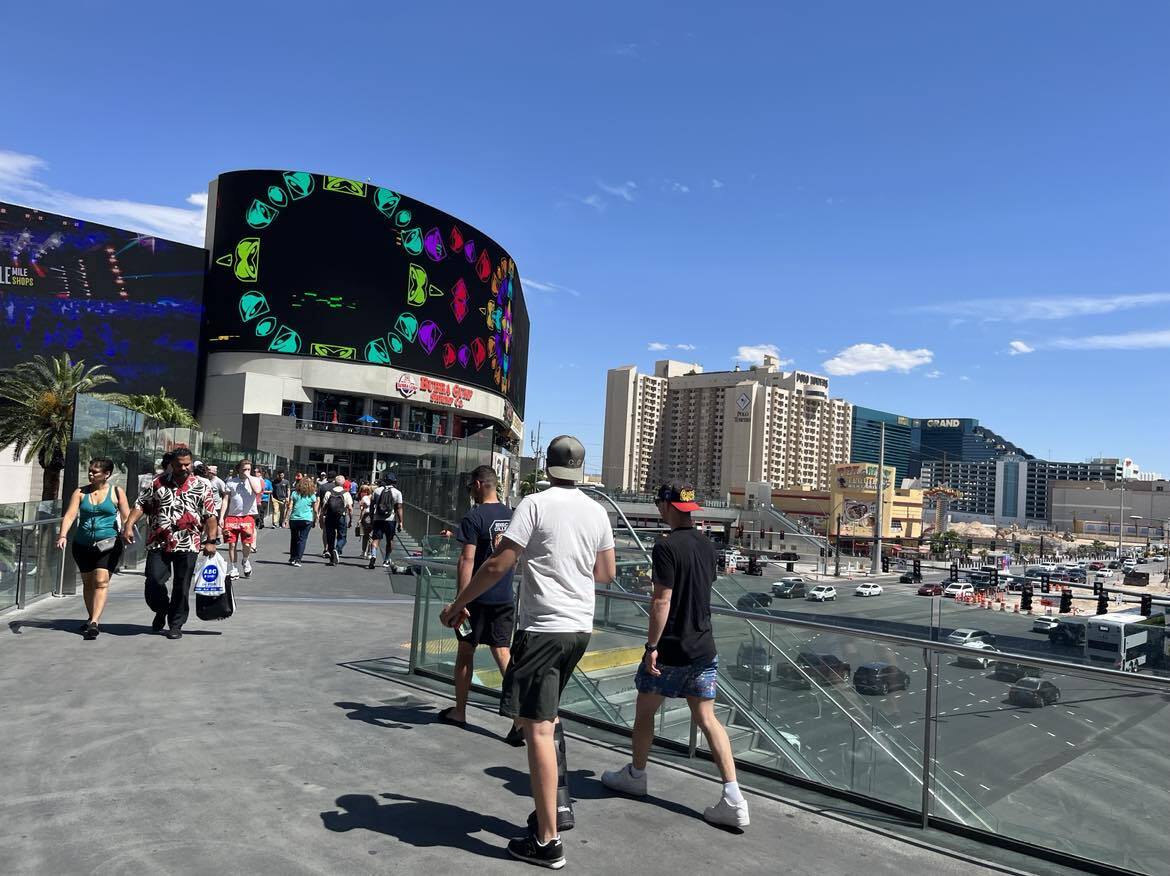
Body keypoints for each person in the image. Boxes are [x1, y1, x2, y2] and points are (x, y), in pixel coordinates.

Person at [441, 436, 615, 869]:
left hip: (544, 628)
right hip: (579, 628)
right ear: (579, 468)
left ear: (549, 466)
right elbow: (606, 573)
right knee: (548, 717)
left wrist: (460, 603)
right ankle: (553, 808)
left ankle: (547, 841)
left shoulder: (534, 504)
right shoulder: (597, 511)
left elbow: (500, 563)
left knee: (536, 728)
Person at [600, 480, 750, 829]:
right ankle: (734, 797)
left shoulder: (665, 547)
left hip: (670, 648)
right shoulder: (708, 546)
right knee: (708, 719)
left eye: (659, 504)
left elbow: (661, 600)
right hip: (703, 647)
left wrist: (652, 647)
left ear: (666, 507)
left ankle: (637, 774)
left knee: (645, 711)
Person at [438, 465, 522, 744]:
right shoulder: (512, 516)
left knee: (465, 651)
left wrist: (460, 600)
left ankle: (460, 711)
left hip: (476, 599)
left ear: (477, 484)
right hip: (504, 596)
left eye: (470, 488)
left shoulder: (474, 516)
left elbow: (467, 560)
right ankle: (519, 717)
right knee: (503, 652)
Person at [121, 448, 219, 640]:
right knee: (153, 579)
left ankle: (176, 624)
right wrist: (129, 525)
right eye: (179, 464)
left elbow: (210, 515)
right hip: (159, 541)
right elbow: (140, 504)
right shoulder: (158, 483)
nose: (184, 468)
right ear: (171, 464)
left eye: (187, 464)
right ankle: (161, 609)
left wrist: (211, 541)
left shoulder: (202, 485)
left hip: (189, 542)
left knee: (181, 586)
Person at [56, 457, 131, 640]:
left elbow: (127, 516)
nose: (91, 474)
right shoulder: (81, 493)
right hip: (82, 545)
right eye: (90, 471)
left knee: (101, 580)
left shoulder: (116, 492)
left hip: (108, 544)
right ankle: (91, 617)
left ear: (106, 474)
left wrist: (127, 530)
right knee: (88, 583)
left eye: (95, 472)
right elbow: (70, 515)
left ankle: (95, 622)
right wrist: (63, 535)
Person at [221, 459, 264, 578]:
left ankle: (245, 560)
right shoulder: (231, 482)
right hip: (232, 516)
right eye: (244, 469)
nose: (246, 471)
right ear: (238, 469)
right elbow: (225, 500)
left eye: (249, 469)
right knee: (232, 544)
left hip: (247, 516)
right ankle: (233, 567)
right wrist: (221, 517)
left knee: (247, 544)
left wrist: (249, 477)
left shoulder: (255, 480)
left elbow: (257, 491)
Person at [367, 473, 403, 570]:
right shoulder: (397, 493)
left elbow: (371, 506)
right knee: (390, 540)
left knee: (375, 539)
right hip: (390, 519)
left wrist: (371, 518)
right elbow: (399, 508)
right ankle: (386, 560)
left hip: (378, 518)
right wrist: (400, 522)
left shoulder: (377, 491)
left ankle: (373, 555)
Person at [320, 475, 353, 565]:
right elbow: (350, 508)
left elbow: (324, 507)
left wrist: (321, 517)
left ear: (334, 483)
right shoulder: (346, 493)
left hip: (329, 517)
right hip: (341, 517)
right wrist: (351, 519)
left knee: (330, 536)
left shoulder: (329, 493)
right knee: (342, 536)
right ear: (344, 483)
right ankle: (337, 550)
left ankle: (332, 556)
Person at [287, 475, 319, 566]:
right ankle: (298, 559)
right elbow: (315, 510)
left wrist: (286, 518)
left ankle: (292, 558)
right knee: (302, 539)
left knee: (294, 538)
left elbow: (290, 507)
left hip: (294, 518)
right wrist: (315, 520)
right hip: (307, 519)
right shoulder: (312, 495)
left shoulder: (294, 493)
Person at [356, 484, 375, 557]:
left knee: (365, 535)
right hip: (374, 517)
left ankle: (364, 552)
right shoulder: (374, 497)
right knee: (371, 535)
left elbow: (363, 510)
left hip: (366, 517)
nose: (362, 493)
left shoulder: (365, 498)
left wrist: (360, 519)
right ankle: (369, 553)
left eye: (364, 491)